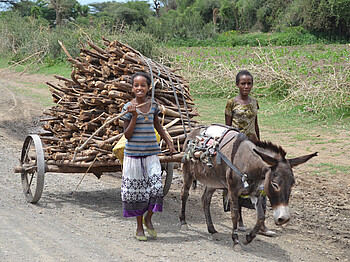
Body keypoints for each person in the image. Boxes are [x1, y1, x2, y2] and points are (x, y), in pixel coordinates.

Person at [120, 72, 176, 241]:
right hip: (134, 156)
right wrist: (134, 117)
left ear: (148, 87)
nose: (139, 88)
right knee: (139, 193)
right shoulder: (128, 108)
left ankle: (148, 218)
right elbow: (127, 135)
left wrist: (169, 141)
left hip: (151, 153)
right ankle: (139, 227)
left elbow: (157, 125)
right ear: (132, 88)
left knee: (156, 189)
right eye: (136, 85)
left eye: (143, 85)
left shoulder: (153, 106)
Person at [223, 70, 276, 237]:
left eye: (249, 83)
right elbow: (229, 128)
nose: (246, 86)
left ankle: (261, 223)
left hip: (253, 148)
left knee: (261, 184)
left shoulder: (254, 102)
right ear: (237, 85)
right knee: (237, 183)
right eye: (243, 83)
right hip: (237, 148)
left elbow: (256, 124)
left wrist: (259, 145)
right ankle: (238, 220)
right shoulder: (231, 103)